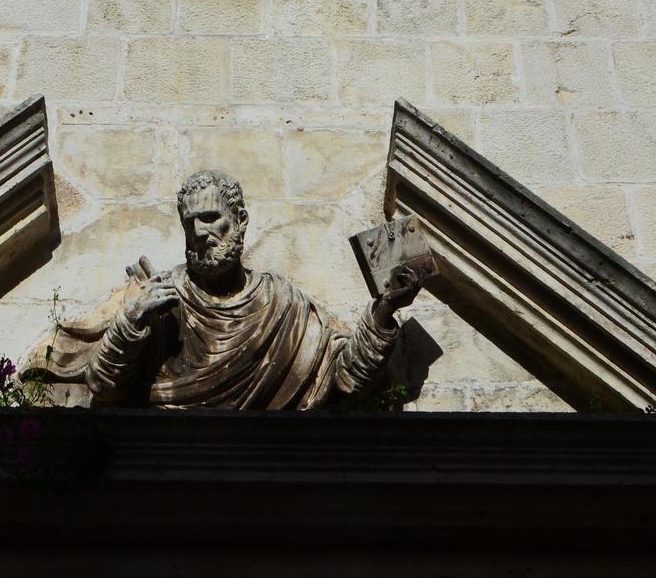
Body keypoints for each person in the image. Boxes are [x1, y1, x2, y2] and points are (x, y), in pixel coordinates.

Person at [49, 169, 422, 409]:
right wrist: (130, 323)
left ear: (240, 221)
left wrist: (383, 312)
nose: (200, 232)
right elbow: (103, 386)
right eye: (190, 223)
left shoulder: (283, 306)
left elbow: (345, 379)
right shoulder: (161, 303)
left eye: (211, 218)